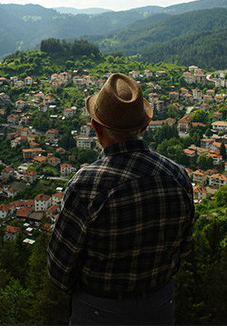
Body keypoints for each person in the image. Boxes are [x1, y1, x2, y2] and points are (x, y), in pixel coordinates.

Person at [47, 72, 194, 325]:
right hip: (159, 308)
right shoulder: (178, 177)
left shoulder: (86, 186)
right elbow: (184, 249)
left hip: (97, 312)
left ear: (95, 127)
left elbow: (59, 271)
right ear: (144, 127)